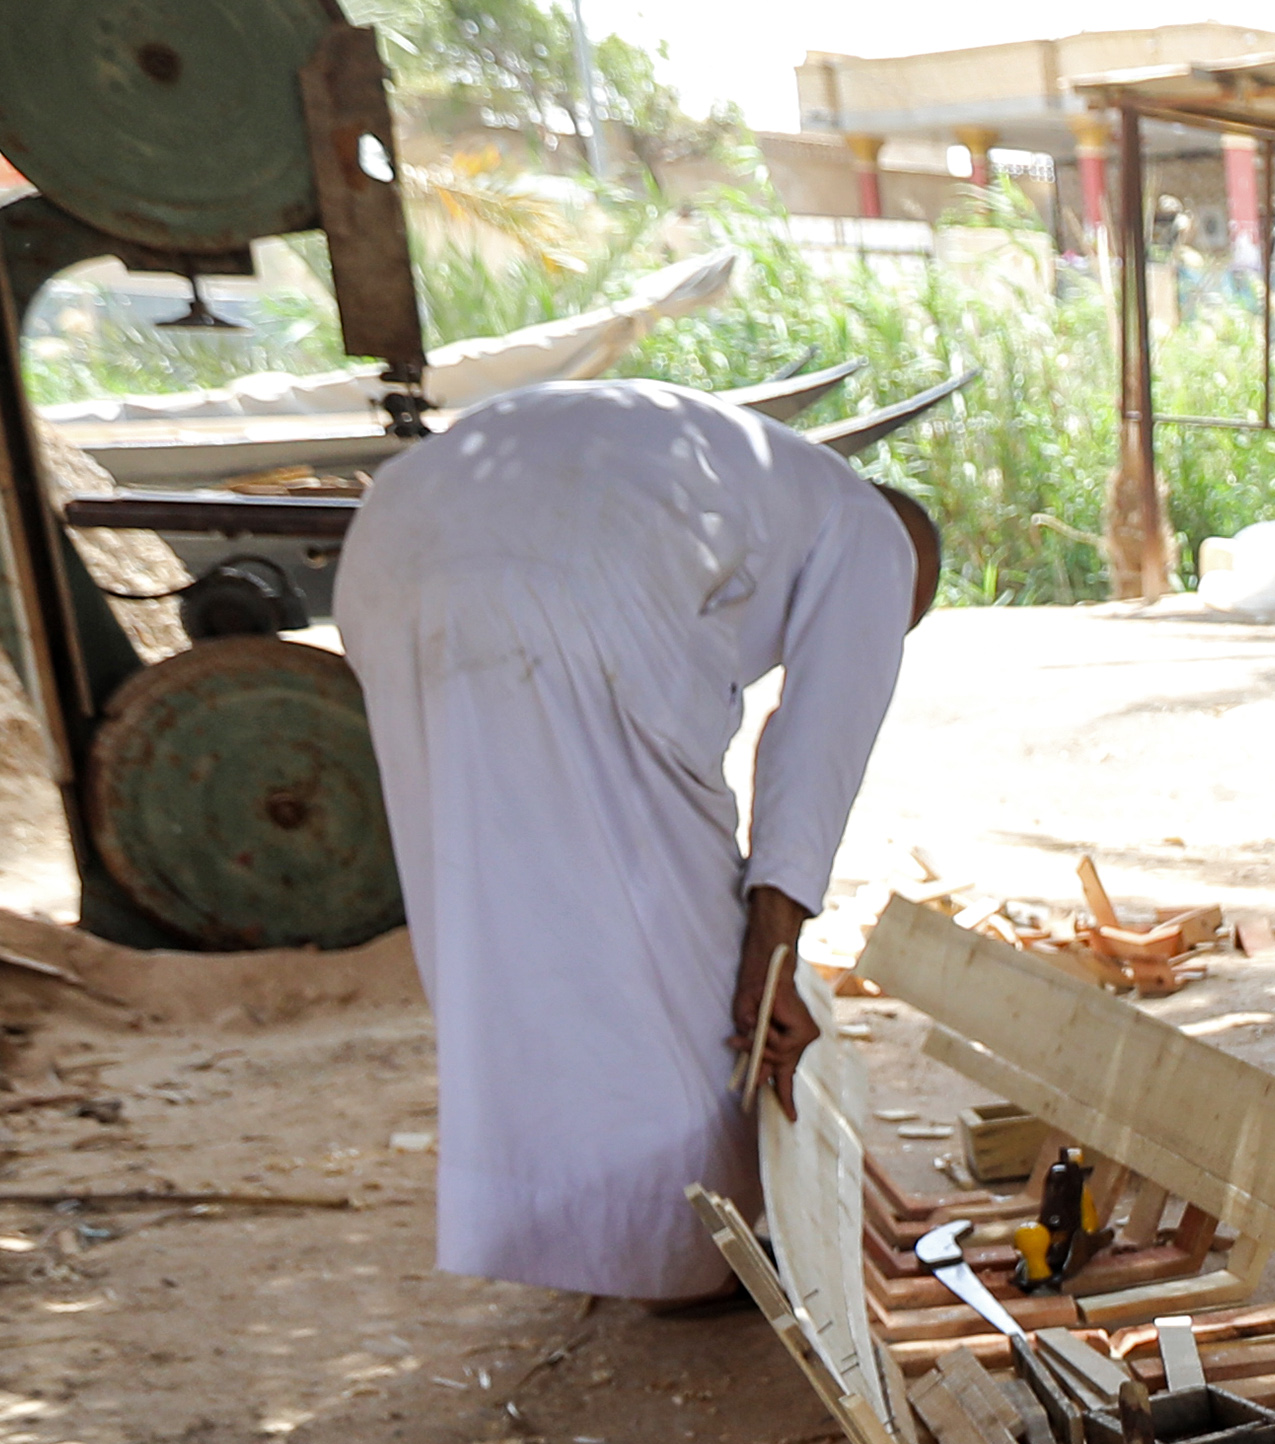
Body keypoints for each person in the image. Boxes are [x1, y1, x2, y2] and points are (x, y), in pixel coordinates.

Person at [332, 382, 935, 1303]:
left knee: (501, 910)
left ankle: (577, 1229)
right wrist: (773, 952)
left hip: (392, 541)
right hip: (580, 583)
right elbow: (816, 740)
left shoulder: (762, 475)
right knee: (686, 954)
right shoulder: (874, 537)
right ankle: (681, 1254)